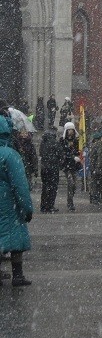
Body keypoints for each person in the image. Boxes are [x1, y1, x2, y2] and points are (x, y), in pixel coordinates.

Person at [0, 116, 34, 286]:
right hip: (8, 204)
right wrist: (27, 209)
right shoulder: (11, 155)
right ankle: (18, 275)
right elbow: (20, 185)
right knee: (14, 238)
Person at [39, 124, 63, 214]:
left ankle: (43, 206)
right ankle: (50, 205)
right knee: (53, 187)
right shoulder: (55, 142)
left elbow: (41, 153)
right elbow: (61, 155)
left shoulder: (43, 142)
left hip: (44, 168)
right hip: (53, 168)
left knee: (45, 187)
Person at [61, 122, 81, 212]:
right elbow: (63, 153)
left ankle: (71, 198)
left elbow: (77, 151)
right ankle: (70, 202)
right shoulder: (62, 140)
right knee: (71, 183)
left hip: (74, 166)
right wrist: (72, 157)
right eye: (69, 130)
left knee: (74, 185)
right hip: (67, 165)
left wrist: (80, 154)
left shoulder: (76, 140)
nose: (70, 132)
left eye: (72, 130)